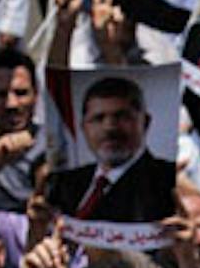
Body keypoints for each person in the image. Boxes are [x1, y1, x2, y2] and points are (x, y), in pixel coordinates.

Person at [45, 75, 178, 225]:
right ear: (83, 127)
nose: (109, 128)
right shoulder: (65, 183)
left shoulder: (167, 181)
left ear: (145, 122)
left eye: (121, 116)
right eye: (98, 118)